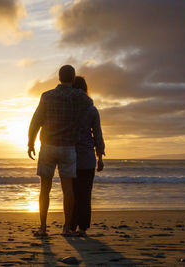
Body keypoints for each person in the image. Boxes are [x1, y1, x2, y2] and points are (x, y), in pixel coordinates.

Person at [28, 65, 93, 237]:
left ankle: (43, 228)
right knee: (68, 190)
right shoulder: (78, 97)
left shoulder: (47, 96)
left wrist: (30, 142)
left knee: (44, 189)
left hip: (48, 146)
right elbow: (89, 103)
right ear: (73, 79)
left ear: (58, 78)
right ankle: (66, 228)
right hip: (68, 147)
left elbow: (36, 121)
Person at [70, 76, 105, 237]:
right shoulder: (92, 109)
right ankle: (82, 229)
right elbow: (97, 135)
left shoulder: (68, 108)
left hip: (71, 156)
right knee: (85, 193)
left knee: (72, 193)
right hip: (88, 157)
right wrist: (100, 157)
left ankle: (71, 226)